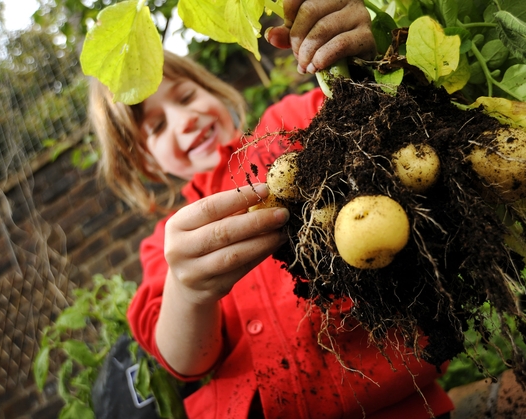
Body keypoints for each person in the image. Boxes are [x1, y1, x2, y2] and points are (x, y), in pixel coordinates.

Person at [88, 1, 455, 417]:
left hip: (390, 398)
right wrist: (188, 291)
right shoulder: (168, 245)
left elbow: (377, 118)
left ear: (214, 91)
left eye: (188, 96)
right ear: (148, 164)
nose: (185, 119)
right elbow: (187, 362)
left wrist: (371, 52)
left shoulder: (292, 122)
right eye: (156, 126)